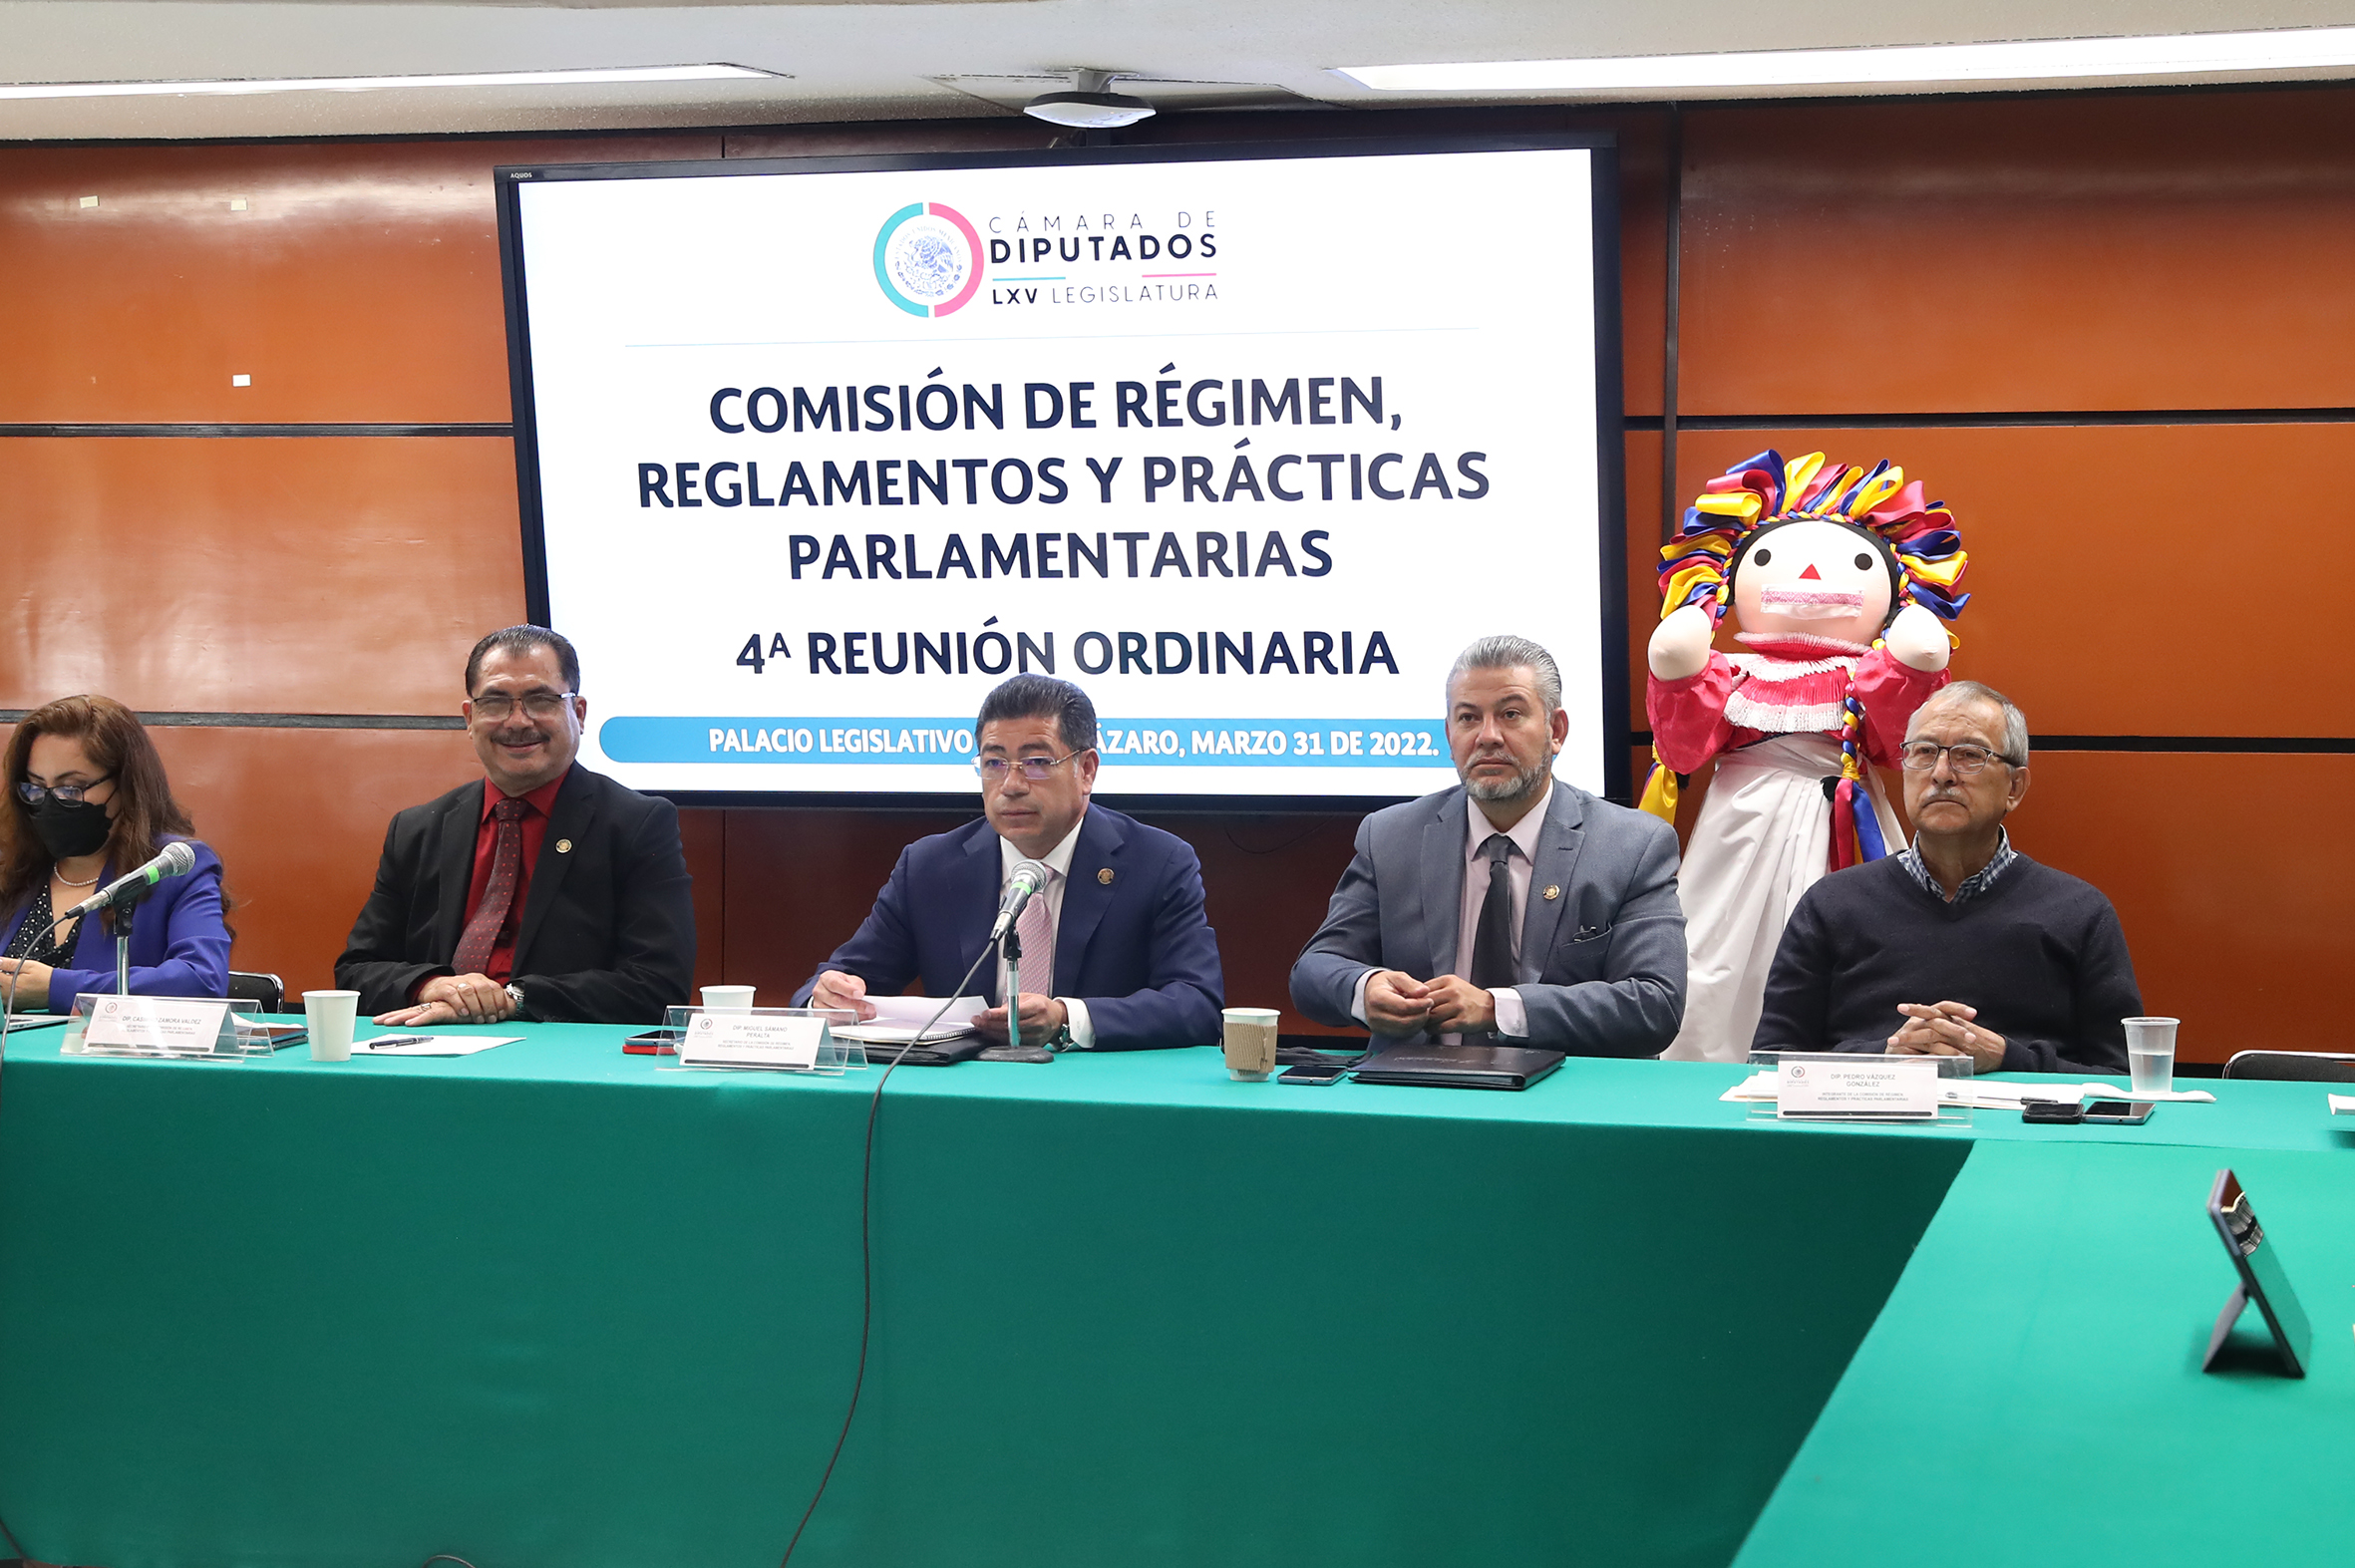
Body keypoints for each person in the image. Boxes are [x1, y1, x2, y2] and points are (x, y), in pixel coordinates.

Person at [1290, 635, 1686, 1056]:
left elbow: (1656, 1003)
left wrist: (1497, 1009)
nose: (1487, 736)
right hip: (1416, 1089)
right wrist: (1364, 988)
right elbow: (1313, 972)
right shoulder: (1390, 836)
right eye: (1468, 718)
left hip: (1562, 1091)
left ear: (1555, 731)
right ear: (1449, 735)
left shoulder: (1632, 845)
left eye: (1510, 714)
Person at [797, 674, 1223, 1050]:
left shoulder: (1158, 863)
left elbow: (1198, 1002)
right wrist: (827, 999)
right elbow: (838, 979)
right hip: (964, 1096)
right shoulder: (929, 867)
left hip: (1099, 1096)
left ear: (1087, 770)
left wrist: (1067, 1018)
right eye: (994, 763)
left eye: (1037, 762)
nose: (1011, 785)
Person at [1752, 681, 2139, 1075]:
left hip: (2020, 1116)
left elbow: (2125, 1081)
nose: (1941, 774)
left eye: (1969, 755)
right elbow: (1769, 1064)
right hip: (1871, 1113)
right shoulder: (1830, 905)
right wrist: (1886, 1057)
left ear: (2015, 787)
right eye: (1924, 752)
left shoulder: (2079, 912)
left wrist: (2007, 1058)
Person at [336, 625, 694, 1026]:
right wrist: (430, 986)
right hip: (428, 1048)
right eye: (495, 702)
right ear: (469, 718)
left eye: (541, 699)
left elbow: (657, 985)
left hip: (558, 1055)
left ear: (578, 713)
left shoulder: (636, 825)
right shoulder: (417, 830)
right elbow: (355, 972)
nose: (518, 721)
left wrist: (513, 1000)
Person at [0, 695, 229, 1008]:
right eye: (36, 788)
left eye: (71, 788)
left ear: (125, 785)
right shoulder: (12, 868)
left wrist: (60, 988)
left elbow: (202, 980)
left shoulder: (174, 868)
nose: (50, 804)